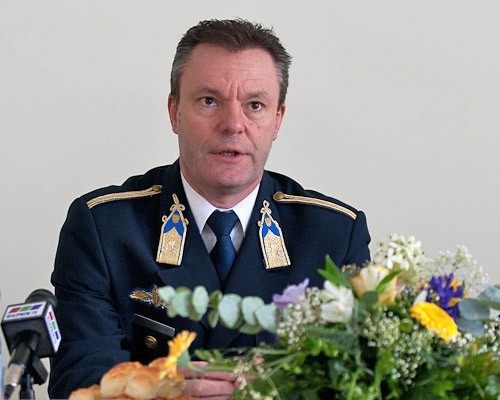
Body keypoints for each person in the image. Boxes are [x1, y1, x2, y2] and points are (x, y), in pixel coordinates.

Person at [48, 19, 371, 399]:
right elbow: (80, 377)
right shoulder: (104, 227)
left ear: (277, 121)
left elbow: (358, 382)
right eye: (209, 101)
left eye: (255, 105)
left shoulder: (334, 235)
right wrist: (166, 390)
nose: (233, 124)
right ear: (174, 112)